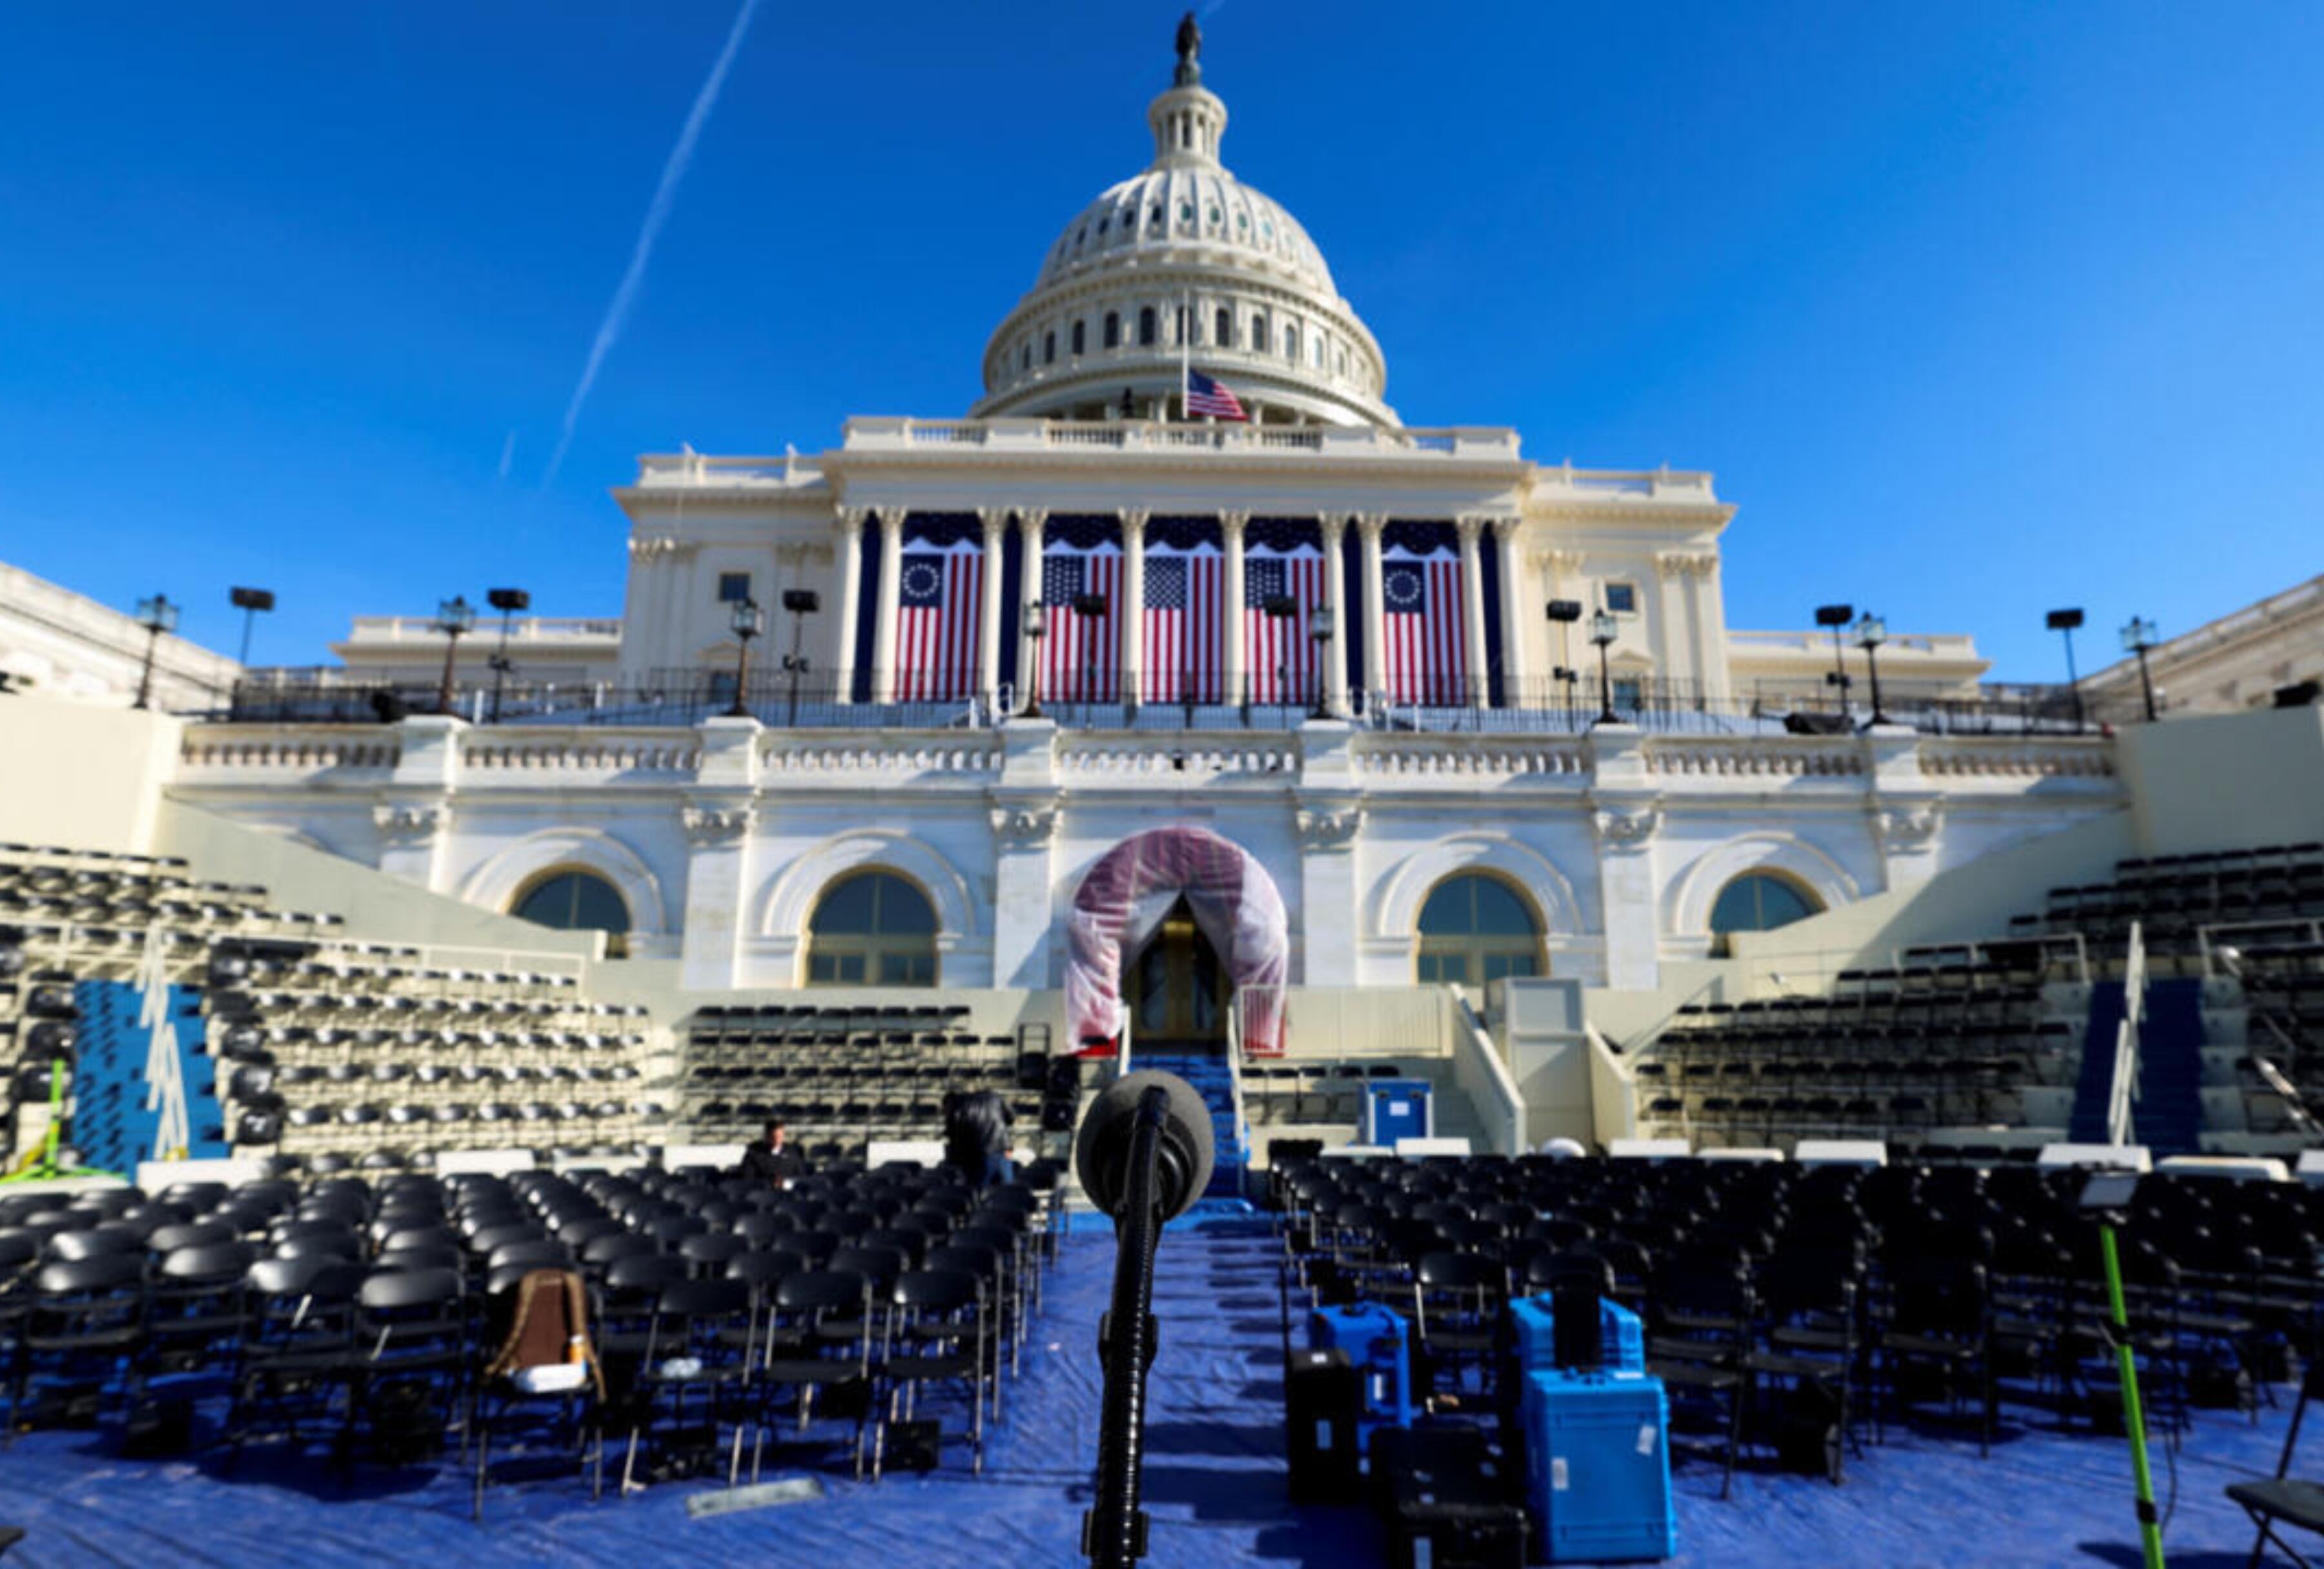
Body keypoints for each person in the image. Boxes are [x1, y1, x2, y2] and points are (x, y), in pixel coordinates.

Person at [943, 1087, 1015, 1189]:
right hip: (1003, 1150)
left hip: (978, 1157)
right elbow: (1011, 1118)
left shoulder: (957, 1108)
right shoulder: (994, 1097)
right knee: (1006, 1193)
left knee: (980, 1193)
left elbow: (955, 1139)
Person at [738, 1118, 806, 1188]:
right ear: (766, 1136)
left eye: (779, 1137)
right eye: (773, 1137)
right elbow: (747, 1179)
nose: (776, 1140)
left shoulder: (792, 1153)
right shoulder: (754, 1153)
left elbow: (801, 1177)